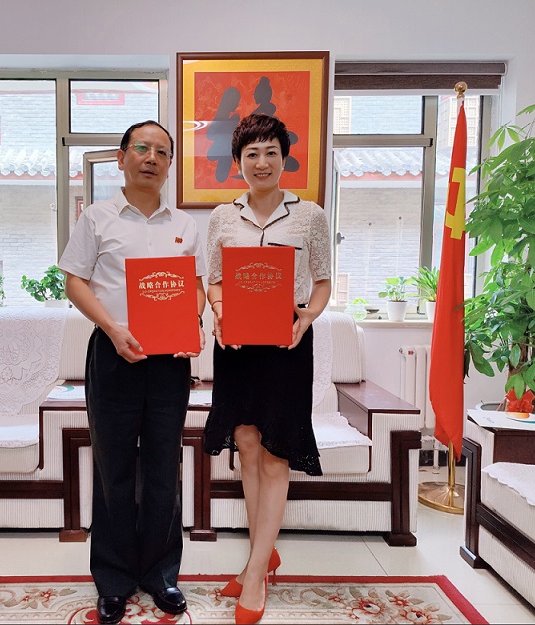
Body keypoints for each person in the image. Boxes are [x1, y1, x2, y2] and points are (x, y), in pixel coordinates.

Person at [58, 120, 207, 625]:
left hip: (169, 362)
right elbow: (74, 282)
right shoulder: (97, 218)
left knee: (164, 467)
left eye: (162, 152)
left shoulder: (185, 225)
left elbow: (197, 287)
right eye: (142, 148)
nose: (151, 158)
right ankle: (115, 579)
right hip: (113, 355)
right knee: (113, 469)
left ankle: (162, 574)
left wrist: (192, 321)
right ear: (121, 158)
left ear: (170, 165)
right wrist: (113, 328)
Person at [203, 113, 331, 624]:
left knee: (277, 453)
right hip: (237, 346)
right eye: (251, 153)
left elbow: (322, 281)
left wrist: (308, 316)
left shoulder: (310, 216)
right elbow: (213, 280)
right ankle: (263, 555)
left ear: (284, 158)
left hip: (286, 343)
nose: (262, 162)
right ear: (239, 162)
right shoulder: (222, 217)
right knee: (248, 446)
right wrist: (219, 312)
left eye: (270, 152)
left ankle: (254, 573)